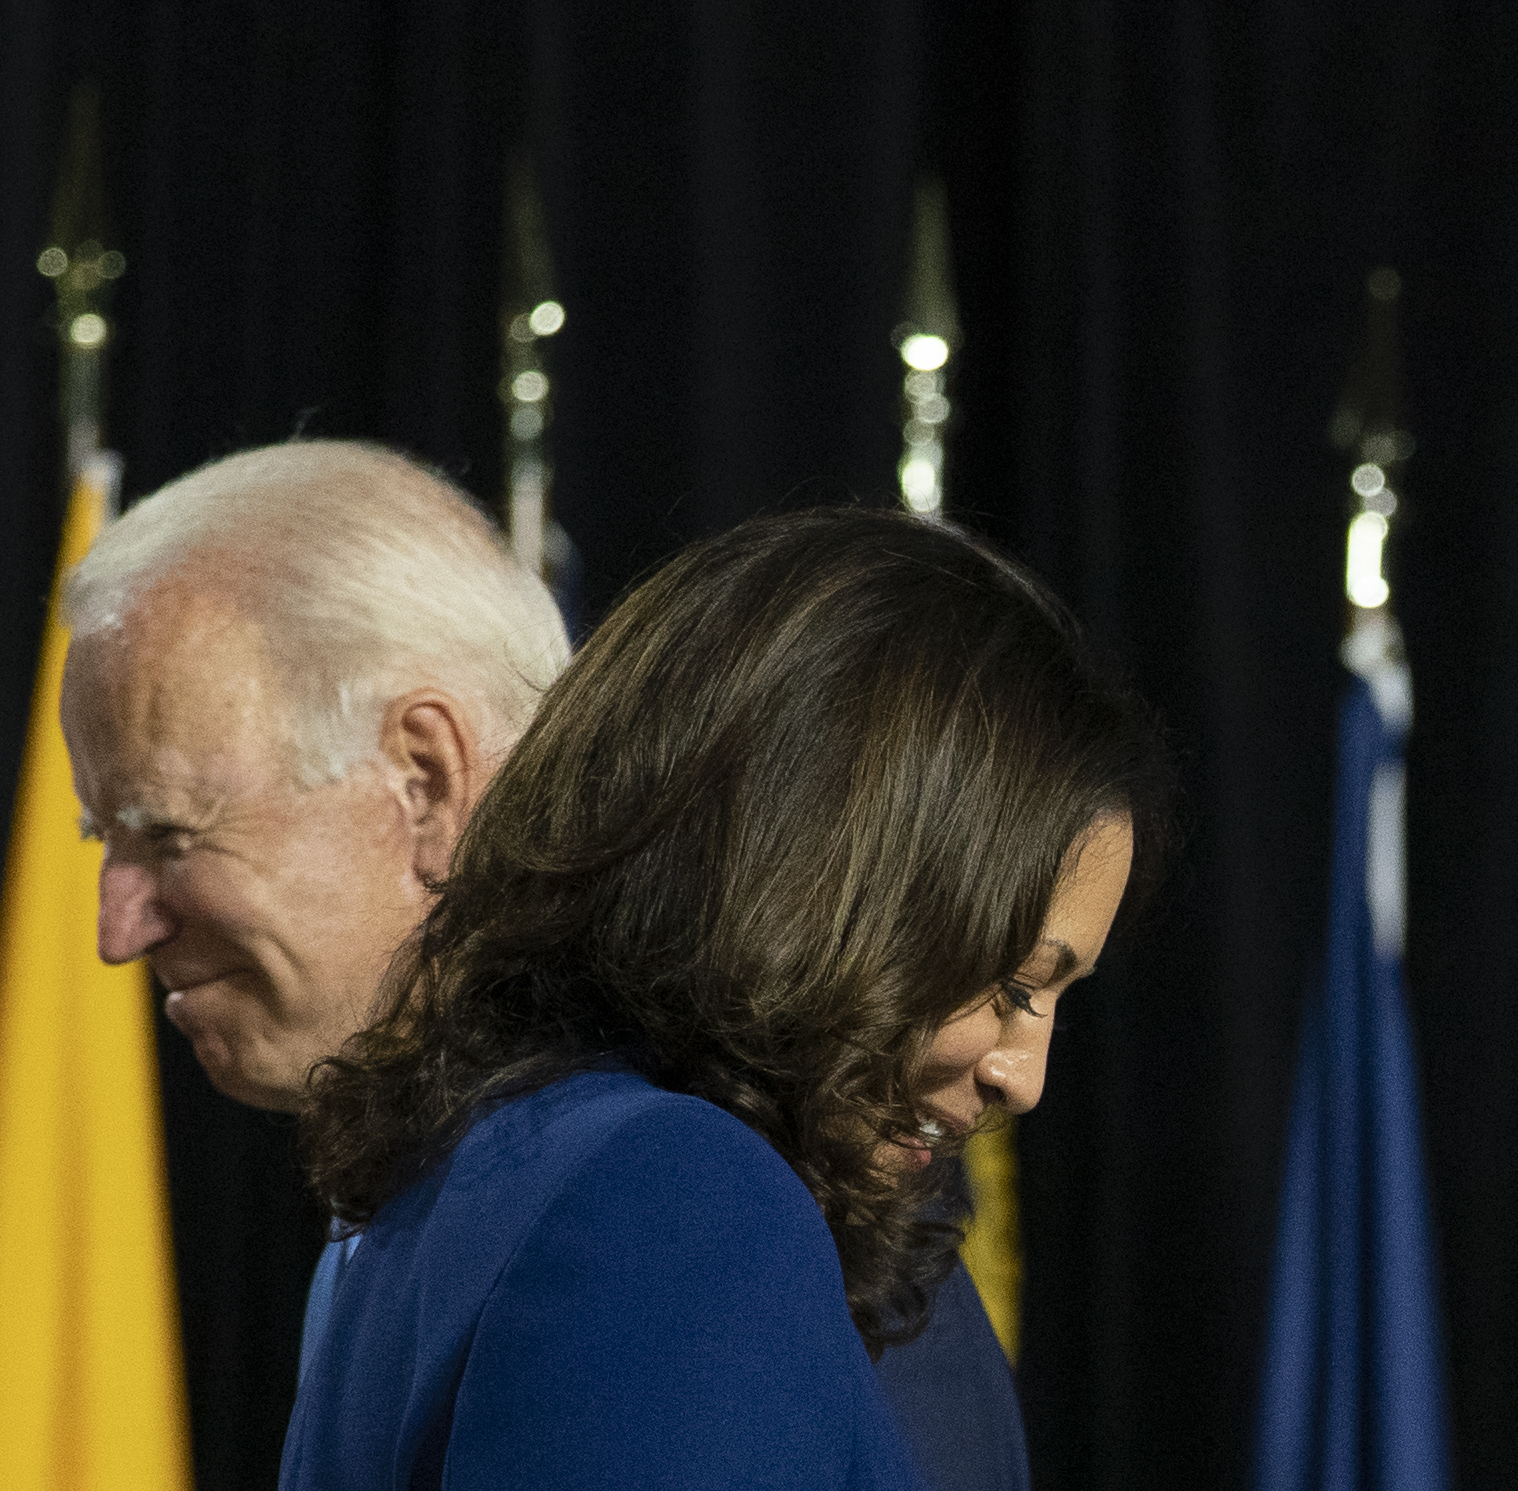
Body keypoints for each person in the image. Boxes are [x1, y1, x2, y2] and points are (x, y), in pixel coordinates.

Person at [58, 442, 1046, 1487]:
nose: (117, 930)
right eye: (102, 842)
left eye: (166, 833)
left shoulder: (682, 1198)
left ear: (423, 778)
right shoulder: (430, 1201)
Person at [286, 507, 1169, 1490]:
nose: (1024, 1076)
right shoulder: (673, 1200)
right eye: (1009, 984)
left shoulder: (486, 1162)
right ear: (811, 885)